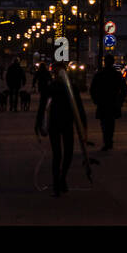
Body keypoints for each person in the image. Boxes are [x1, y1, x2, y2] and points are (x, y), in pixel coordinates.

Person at [35, 60, 88, 196]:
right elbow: (42, 105)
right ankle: (57, 184)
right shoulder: (51, 86)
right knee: (57, 154)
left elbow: (79, 108)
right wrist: (38, 123)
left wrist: (83, 126)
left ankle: (62, 177)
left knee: (68, 153)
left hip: (66, 122)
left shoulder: (71, 87)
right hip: (55, 123)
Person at [89, 54, 127, 151]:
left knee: (104, 122)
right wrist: (120, 100)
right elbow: (124, 88)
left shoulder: (100, 74)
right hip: (113, 101)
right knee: (110, 122)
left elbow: (92, 89)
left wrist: (96, 100)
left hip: (103, 101)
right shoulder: (116, 74)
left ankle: (107, 140)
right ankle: (109, 140)